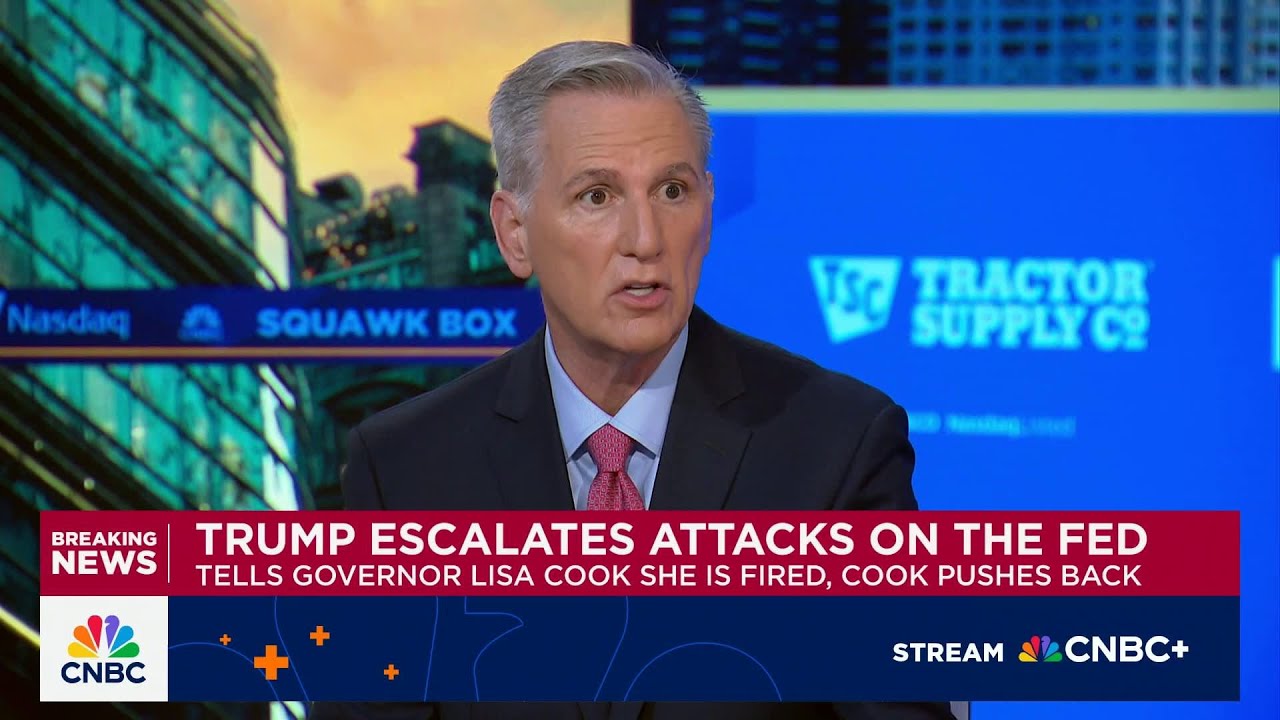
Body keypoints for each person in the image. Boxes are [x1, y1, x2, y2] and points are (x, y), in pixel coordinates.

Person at [314, 41, 955, 720]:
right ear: (514, 233)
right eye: (597, 196)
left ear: (708, 209)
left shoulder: (838, 446)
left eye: (672, 191)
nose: (645, 239)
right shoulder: (405, 469)